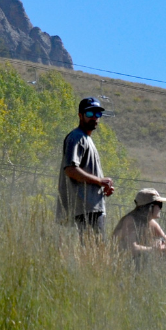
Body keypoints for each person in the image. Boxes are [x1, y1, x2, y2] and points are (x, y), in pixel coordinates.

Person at [56, 97, 114, 237]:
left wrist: (102, 186)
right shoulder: (76, 137)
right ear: (80, 115)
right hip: (85, 209)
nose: (94, 117)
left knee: (93, 251)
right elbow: (70, 170)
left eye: (97, 114)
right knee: (95, 251)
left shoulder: (87, 139)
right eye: (89, 114)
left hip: (91, 208)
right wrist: (99, 181)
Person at [112, 188, 166, 260]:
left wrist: (163, 244)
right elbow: (132, 249)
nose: (161, 208)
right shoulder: (130, 221)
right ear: (150, 207)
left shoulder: (151, 222)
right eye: (160, 204)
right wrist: (154, 249)